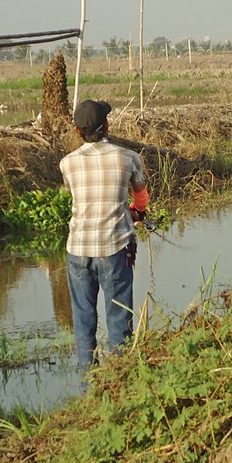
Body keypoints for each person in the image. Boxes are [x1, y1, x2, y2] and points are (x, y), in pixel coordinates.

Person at [59, 99, 149, 374]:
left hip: (78, 250)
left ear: (77, 131)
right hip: (115, 248)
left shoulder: (67, 163)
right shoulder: (128, 157)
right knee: (119, 316)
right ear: (106, 126)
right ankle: (121, 378)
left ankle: (89, 384)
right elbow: (141, 195)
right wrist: (137, 211)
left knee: (84, 317)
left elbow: (72, 194)